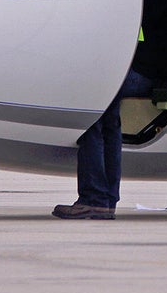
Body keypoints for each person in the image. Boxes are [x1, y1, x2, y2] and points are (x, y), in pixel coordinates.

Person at [52, 66, 155, 219]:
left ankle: (93, 199)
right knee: (110, 126)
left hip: (107, 72)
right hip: (131, 73)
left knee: (91, 126)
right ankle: (107, 202)